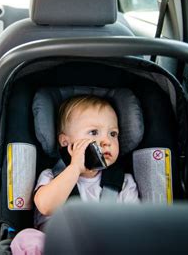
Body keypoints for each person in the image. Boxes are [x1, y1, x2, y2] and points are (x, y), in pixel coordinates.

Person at [10, 95, 140, 255]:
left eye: (113, 134)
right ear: (66, 142)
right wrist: (75, 168)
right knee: (26, 239)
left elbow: (134, 224)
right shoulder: (52, 176)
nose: (107, 141)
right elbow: (45, 206)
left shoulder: (123, 182)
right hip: (60, 247)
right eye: (94, 132)